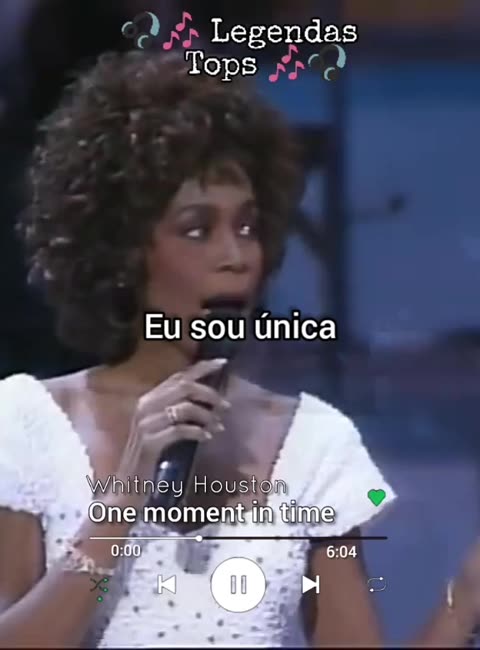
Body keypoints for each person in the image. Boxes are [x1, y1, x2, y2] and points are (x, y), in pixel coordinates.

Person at [0, 51, 478, 649]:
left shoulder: (314, 443)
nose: (236, 256)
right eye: (197, 229)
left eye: (247, 227)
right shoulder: (26, 422)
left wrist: (467, 594)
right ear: (122, 250)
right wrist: (121, 501)